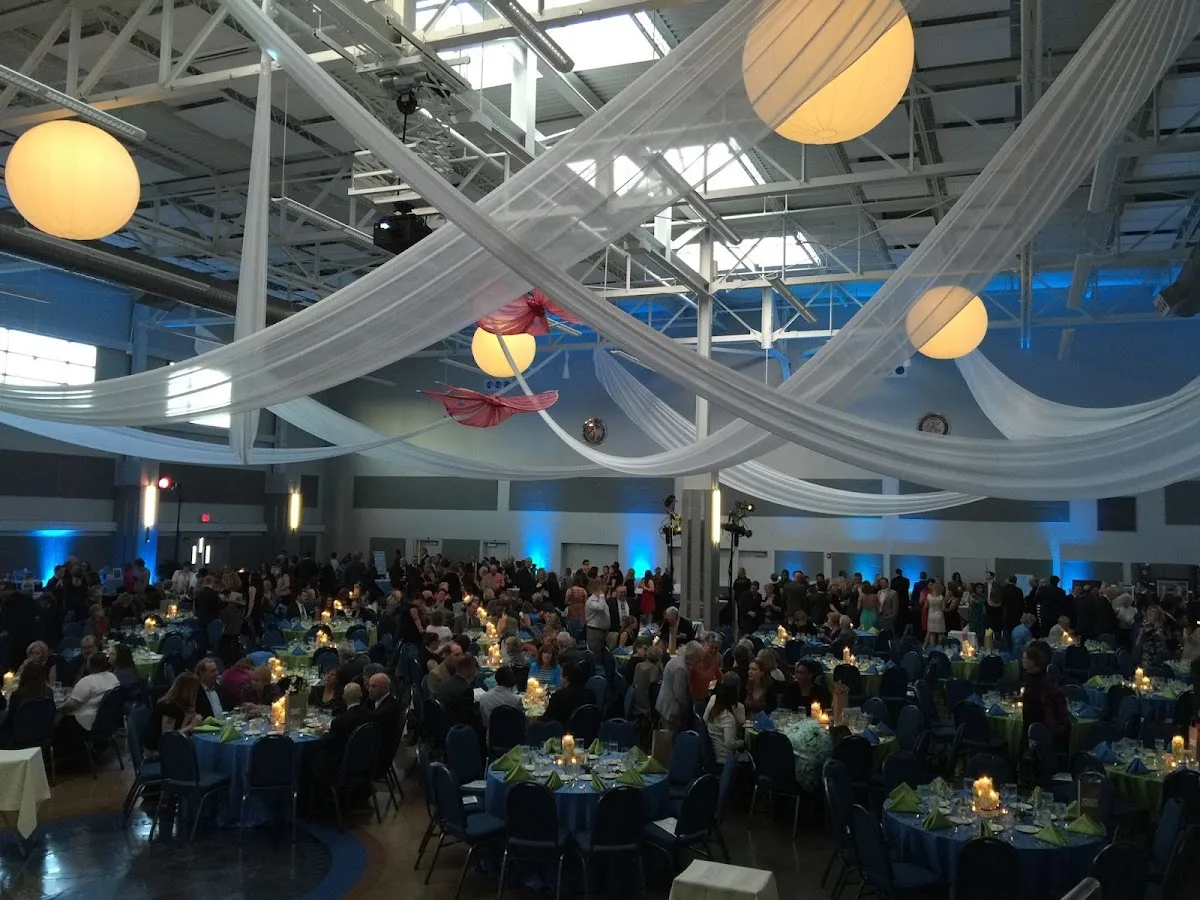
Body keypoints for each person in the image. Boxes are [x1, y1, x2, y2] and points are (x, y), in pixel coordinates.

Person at [57, 651, 120, 745]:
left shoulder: (87, 681)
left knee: (58, 721)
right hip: (108, 722)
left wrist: (57, 709)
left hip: (87, 723)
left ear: (89, 665)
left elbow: (72, 705)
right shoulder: (113, 677)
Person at [316, 683, 375, 773]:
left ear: (344, 697)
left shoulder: (340, 721)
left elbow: (327, 743)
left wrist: (326, 731)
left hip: (341, 766)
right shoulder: (371, 716)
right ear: (361, 695)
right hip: (366, 763)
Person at [1020, 642, 1069, 747]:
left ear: (1032, 662)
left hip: (1042, 727)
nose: (1022, 661)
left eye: (1024, 658)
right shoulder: (1035, 679)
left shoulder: (1038, 683)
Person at [144, 672, 201, 753]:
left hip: (171, 746)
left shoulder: (181, 704)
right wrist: (191, 726)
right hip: (157, 751)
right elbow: (167, 738)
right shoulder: (168, 707)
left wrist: (190, 718)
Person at [0, 660, 51, 745]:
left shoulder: (17, 695)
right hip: (42, 735)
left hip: (18, 737)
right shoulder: (48, 693)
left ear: (24, 676)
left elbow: (10, 719)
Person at [656, 641, 701, 734]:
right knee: (671, 738)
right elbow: (679, 695)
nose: (698, 661)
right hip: (671, 709)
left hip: (664, 704)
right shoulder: (681, 668)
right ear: (693, 655)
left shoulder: (675, 659)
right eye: (698, 658)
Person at [704, 673, 746, 764]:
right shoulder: (728, 717)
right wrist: (743, 743)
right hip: (726, 758)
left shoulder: (713, 702)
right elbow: (729, 744)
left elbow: (704, 719)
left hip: (714, 750)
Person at [435, 654, 478, 729]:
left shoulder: (445, 680)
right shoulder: (465, 690)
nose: (476, 673)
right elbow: (469, 718)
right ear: (469, 670)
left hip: (441, 723)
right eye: (475, 669)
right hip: (457, 728)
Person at [366, 672, 401, 763]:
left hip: (379, 754)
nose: (369, 689)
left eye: (374, 686)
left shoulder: (389, 708)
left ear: (385, 688)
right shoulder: (374, 698)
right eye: (369, 686)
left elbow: (369, 721)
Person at [543, 662, 587, 728]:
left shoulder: (558, 696)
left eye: (561, 676)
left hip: (561, 732)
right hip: (586, 732)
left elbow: (546, 719)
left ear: (565, 679)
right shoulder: (590, 695)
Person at [633, 644, 664, 721]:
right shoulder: (653, 669)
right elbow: (655, 687)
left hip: (635, 700)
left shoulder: (638, 665)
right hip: (645, 704)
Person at [688, 632, 723, 701]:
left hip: (705, 699)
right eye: (711, 647)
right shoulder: (695, 658)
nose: (713, 650)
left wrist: (710, 689)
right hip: (690, 699)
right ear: (704, 644)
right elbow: (687, 680)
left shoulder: (715, 660)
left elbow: (719, 677)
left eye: (716, 648)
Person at [584, 581, 610, 657]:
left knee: (600, 652)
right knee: (595, 652)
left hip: (602, 629)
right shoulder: (592, 600)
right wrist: (602, 596)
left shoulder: (601, 600)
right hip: (594, 630)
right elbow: (600, 608)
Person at [923, 583, 946, 648]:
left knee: (932, 633)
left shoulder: (928, 596)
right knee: (940, 633)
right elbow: (943, 609)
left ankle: (932, 648)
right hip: (939, 616)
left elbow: (925, 606)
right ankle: (941, 648)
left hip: (931, 615)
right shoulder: (941, 597)